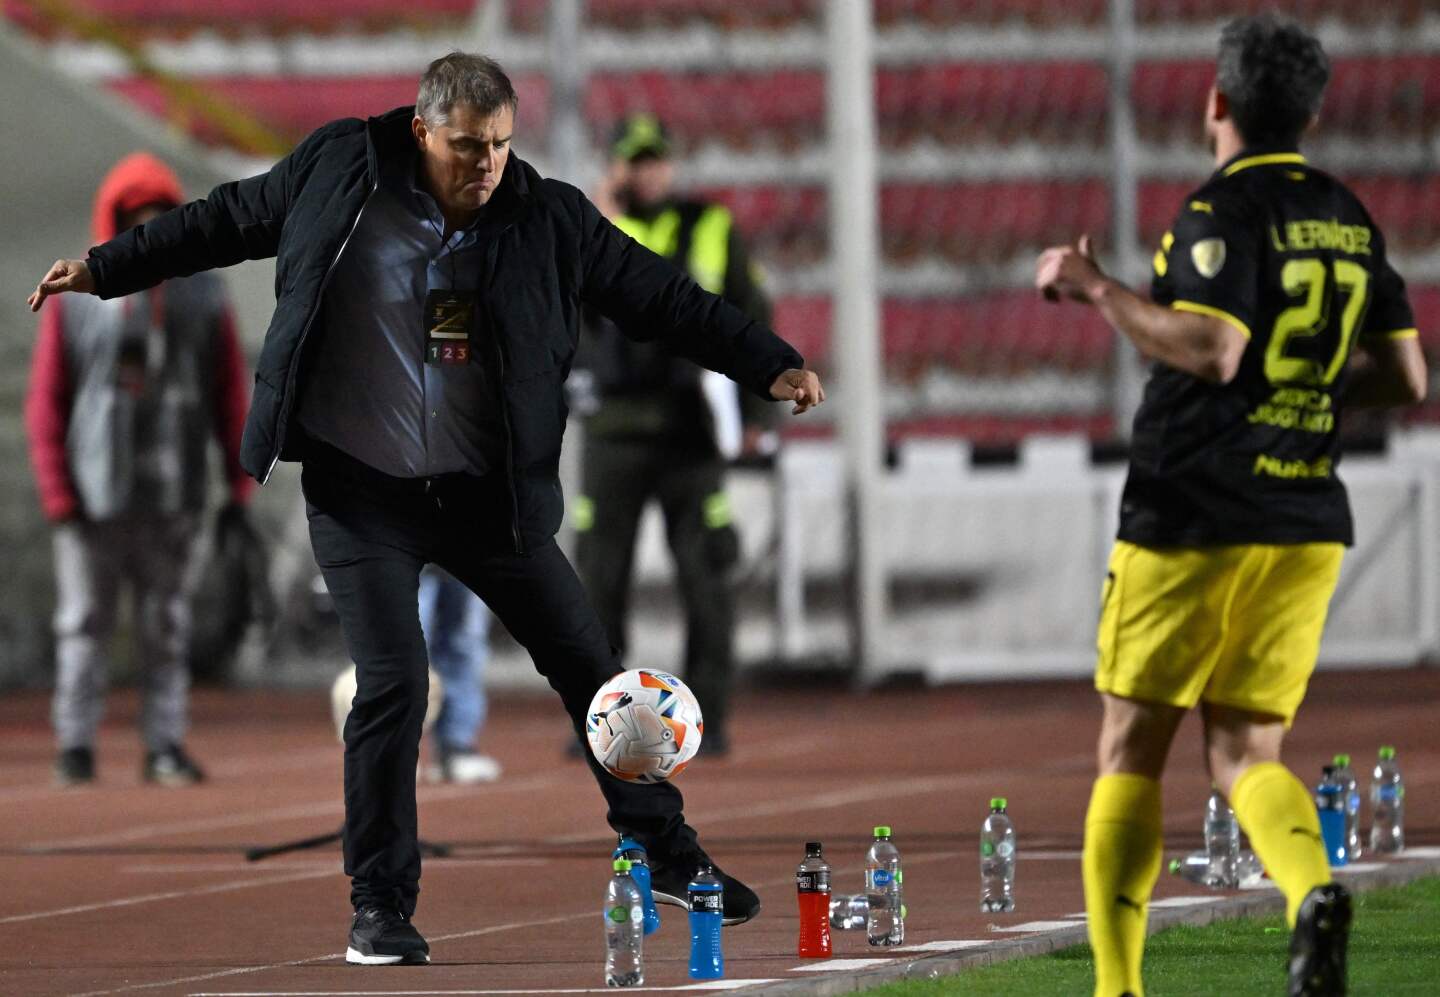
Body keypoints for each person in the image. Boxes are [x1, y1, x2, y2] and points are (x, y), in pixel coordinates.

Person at [28, 52, 824, 967]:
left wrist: (767, 359)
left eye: (499, 145)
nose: (484, 164)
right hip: (361, 490)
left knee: (597, 673)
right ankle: (379, 902)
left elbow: (661, 297)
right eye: (465, 146)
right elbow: (225, 219)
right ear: (420, 129)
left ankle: (665, 846)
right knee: (395, 684)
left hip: (490, 498)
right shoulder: (340, 169)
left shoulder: (548, 217)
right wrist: (102, 266)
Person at [1035, 15, 1426, 997]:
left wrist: (1094, 287)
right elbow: (1406, 376)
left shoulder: (1219, 212)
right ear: (1312, 110)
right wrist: (1303, 397)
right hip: (1303, 516)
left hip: (1193, 508)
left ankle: (1117, 987)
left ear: (1217, 102)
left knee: (1130, 747)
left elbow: (1214, 349)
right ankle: (1310, 890)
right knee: (1248, 752)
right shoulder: (1346, 212)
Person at [24, 152, 253, 789]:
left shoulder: (204, 292)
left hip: (175, 492)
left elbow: (229, 390)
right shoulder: (75, 299)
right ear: (116, 221)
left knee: (168, 628)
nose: (147, 234)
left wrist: (239, 480)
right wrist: (55, 487)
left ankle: (165, 744)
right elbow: (48, 397)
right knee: (83, 627)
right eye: (136, 222)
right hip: (92, 496)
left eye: (160, 222)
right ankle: (74, 744)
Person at [573, 114, 775, 757]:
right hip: (612, 432)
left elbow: (749, 313)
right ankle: (596, 723)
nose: (647, 171)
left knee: (706, 575)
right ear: (615, 167)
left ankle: (708, 716)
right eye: (634, 160)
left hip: (691, 429)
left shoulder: (708, 226)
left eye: (655, 158)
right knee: (597, 582)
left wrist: (755, 414)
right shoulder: (584, 230)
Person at [418, 565, 501, 783]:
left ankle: (455, 746)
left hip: (467, 549)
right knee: (401, 645)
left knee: (463, 642)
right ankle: (390, 748)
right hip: (401, 550)